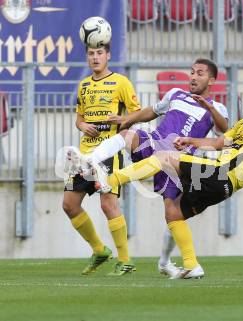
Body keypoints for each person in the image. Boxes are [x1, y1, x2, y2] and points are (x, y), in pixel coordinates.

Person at [87, 70, 243, 279]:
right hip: (220, 185)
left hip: (220, 174)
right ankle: (192, 265)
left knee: (165, 158)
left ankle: (110, 180)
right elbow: (219, 142)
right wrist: (191, 141)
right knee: (174, 212)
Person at [67, 58, 229, 278]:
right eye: (191, 72)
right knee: (127, 135)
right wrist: (126, 119)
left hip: (176, 160)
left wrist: (209, 107)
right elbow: (151, 112)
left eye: (199, 73)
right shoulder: (175, 94)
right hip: (155, 142)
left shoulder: (216, 108)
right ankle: (90, 160)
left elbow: (223, 129)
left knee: (173, 213)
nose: (193, 77)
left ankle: (172, 263)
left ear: (211, 80)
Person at [62, 43, 141, 276]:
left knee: (108, 203)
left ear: (108, 55)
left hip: (109, 152)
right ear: (87, 57)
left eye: (99, 53)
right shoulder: (84, 85)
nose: (95, 58)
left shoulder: (121, 82)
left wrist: (122, 119)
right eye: (91, 54)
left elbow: (138, 114)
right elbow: (79, 119)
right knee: (69, 204)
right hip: (84, 154)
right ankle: (99, 250)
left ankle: (125, 260)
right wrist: (83, 125)